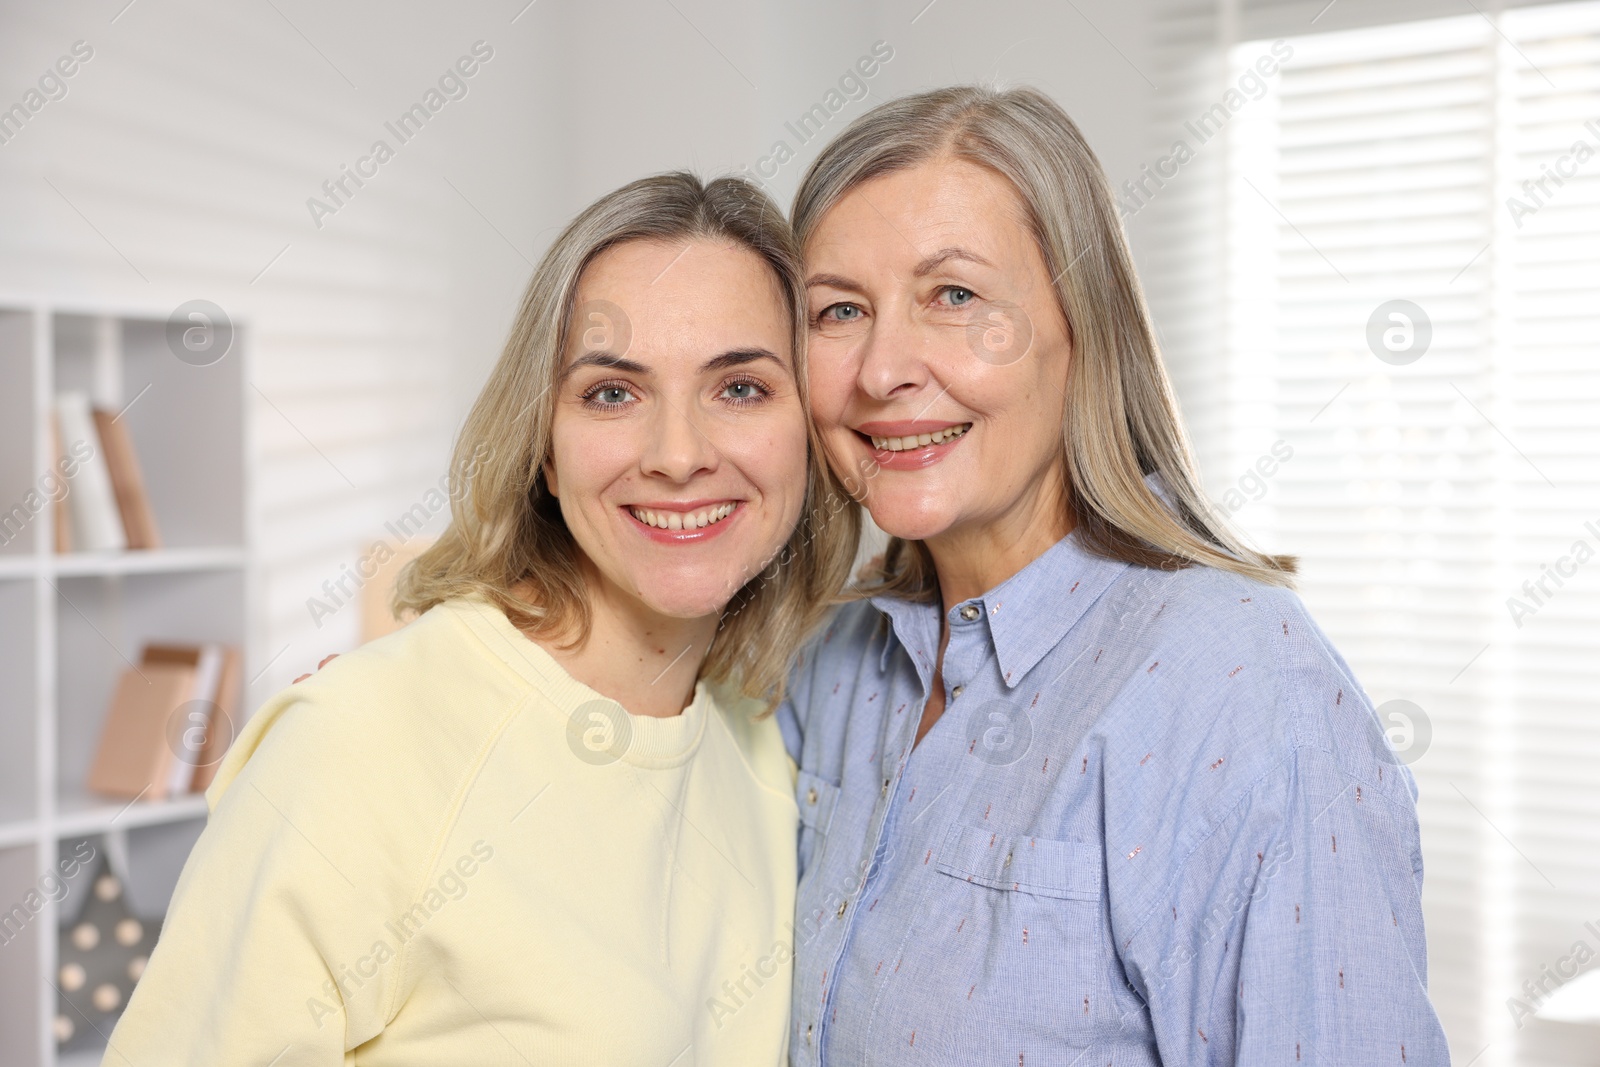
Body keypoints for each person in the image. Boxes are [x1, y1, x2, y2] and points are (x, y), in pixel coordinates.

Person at [106, 172, 857, 1065]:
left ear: (807, 435)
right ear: (542, 445)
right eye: (613, 393)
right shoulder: (354, 747)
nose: (679, 455)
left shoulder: (759, 740)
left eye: (739, 388)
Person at [778, 86, 1451, 1065]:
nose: (882, 368)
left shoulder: (1247, 687)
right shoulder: (830, 663)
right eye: (838, 310)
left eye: (954, 296)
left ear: (1082, 326)